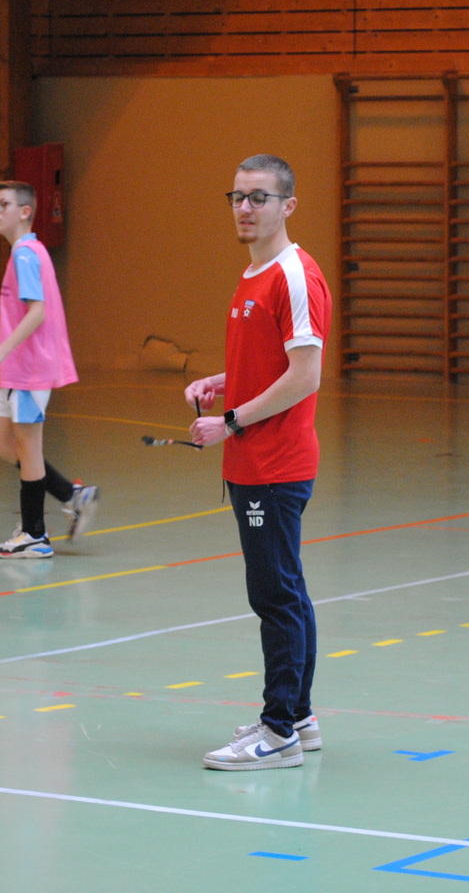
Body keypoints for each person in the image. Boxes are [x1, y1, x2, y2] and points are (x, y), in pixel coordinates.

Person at [186, 154, 330, 771]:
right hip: (254, 462)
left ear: (287, 206)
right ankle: (298, 716)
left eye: (259, 198)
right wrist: (225, 381)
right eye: (237, 197)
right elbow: (273, 361)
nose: (244, 208)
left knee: (275, 596)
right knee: (284, 590)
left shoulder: (293, 276)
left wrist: (230, 421)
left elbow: (305, 375)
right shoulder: (253, 274)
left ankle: (277, 734)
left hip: (274, 463)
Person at [0, 180, 97, 559]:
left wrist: (3, 349)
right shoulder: (29, 251)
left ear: (25, 211)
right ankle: (70, 494)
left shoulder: (26, 256)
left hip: (28, 370)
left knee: (28, 450)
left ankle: (34, 535)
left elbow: (37, 311)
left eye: (4, 204)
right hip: (18, 371)